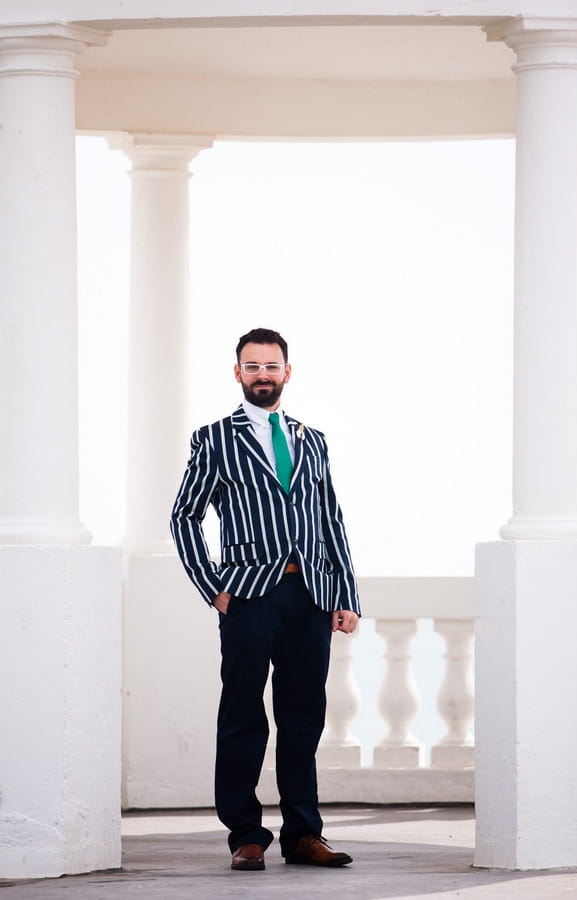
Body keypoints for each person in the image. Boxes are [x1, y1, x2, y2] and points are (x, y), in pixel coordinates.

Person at [171, 327, 360, 872]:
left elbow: (330, 520)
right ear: (238, 374)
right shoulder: (214, 438)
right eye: (251, 366)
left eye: (271, 366)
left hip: (311, 595)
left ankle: (304, 834)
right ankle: (246, 835)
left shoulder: (312, 439)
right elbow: (185, 515)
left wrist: (344, 594)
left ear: (287, 372)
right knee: (242, 715)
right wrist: (214, 588)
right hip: (249, 596)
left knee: (303, 717)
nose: (262, 374)